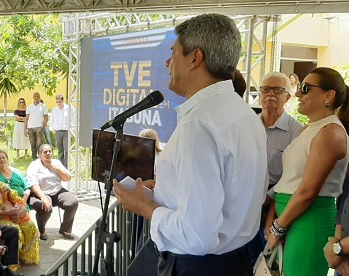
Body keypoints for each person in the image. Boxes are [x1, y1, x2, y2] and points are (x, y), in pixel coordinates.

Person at [113, 14, 267, 275]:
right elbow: (235, 191)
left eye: (173, 53)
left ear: (195, 58)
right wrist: (166, 190)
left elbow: (197, 236)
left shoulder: (199, 125)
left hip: (197, 266)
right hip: (235, 260)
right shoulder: (243, 113)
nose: (167, 62)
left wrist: (146, 207)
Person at [267, 67, 349, 275]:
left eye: (306, 88)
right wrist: (275, 220)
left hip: (307, 222)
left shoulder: (331, 133)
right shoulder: (309, 129)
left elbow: (307, 191)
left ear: (328, 95)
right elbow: (289, 182)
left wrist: (278, 226)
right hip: (289, 220)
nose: (297, 93)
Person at [244, 72, 304, 264]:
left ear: (288, 97)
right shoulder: (246, 125)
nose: (270, 94)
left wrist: (267, 197)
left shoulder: (298, 132)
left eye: (278, 90)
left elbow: (295, 176)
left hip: (275, 212)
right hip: (242, 209)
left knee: (265, 265)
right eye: (265, 89)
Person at [0, 167, 40, 266]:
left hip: (12, 212)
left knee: (29, 225)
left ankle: (26, 256)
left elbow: (15, 198)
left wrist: (15, 210)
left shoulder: (1, 186)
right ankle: (12, 263)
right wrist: (9, 213)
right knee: (16, 230)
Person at [27, 144, 78, 240]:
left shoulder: (56, 162)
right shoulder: (34, 165)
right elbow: (33, 184)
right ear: (39, 154)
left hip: (57, 191)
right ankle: (42, 231)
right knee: (46, 207)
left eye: (50, 151)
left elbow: (67, 178)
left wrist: (54, 167)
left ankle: (65, 229)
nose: (48, 153)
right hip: (42, 192)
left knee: (73, 202)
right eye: (45, 152)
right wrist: (43, 198)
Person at [49, 94, 76, 168]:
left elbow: (74, 120)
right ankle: (60, 166)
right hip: (57, 132)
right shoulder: (55, 109)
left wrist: (72, 132)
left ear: (63, 101)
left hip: (66, 131)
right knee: (60, 150)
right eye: (57, 102)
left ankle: (66, 166)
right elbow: (51, 121)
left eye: (59, 102)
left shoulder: (69, 108)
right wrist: (52, 129)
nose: (58, 104)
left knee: (66, 150)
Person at [24, 92, 48, 160]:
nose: (36, 97)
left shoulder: (43, 106)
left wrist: (42, 127)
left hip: (39, 127)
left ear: (40, 97)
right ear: (33, 97)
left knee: (39, 144)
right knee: (32, 144)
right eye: (35, 96)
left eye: (38, 96)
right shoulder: (29, 107)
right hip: (30, 128)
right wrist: (25, 129)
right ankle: (34, 158)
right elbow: (26, 118)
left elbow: (46, 118)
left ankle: (40, 158)